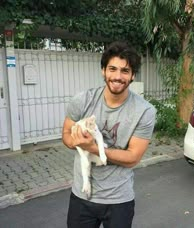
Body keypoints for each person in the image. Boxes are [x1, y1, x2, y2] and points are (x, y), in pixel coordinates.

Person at [62, 41, 156, 228]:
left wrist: (92, 148)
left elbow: (133, 158)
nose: (117, 76)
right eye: (112, 69)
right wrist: (76, 142)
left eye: (125, 71)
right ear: (103, 71)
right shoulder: (82, 100)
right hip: (82, 196)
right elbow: (65, 134)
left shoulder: (145, 111)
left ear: (132, 76)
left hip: (119, 199)